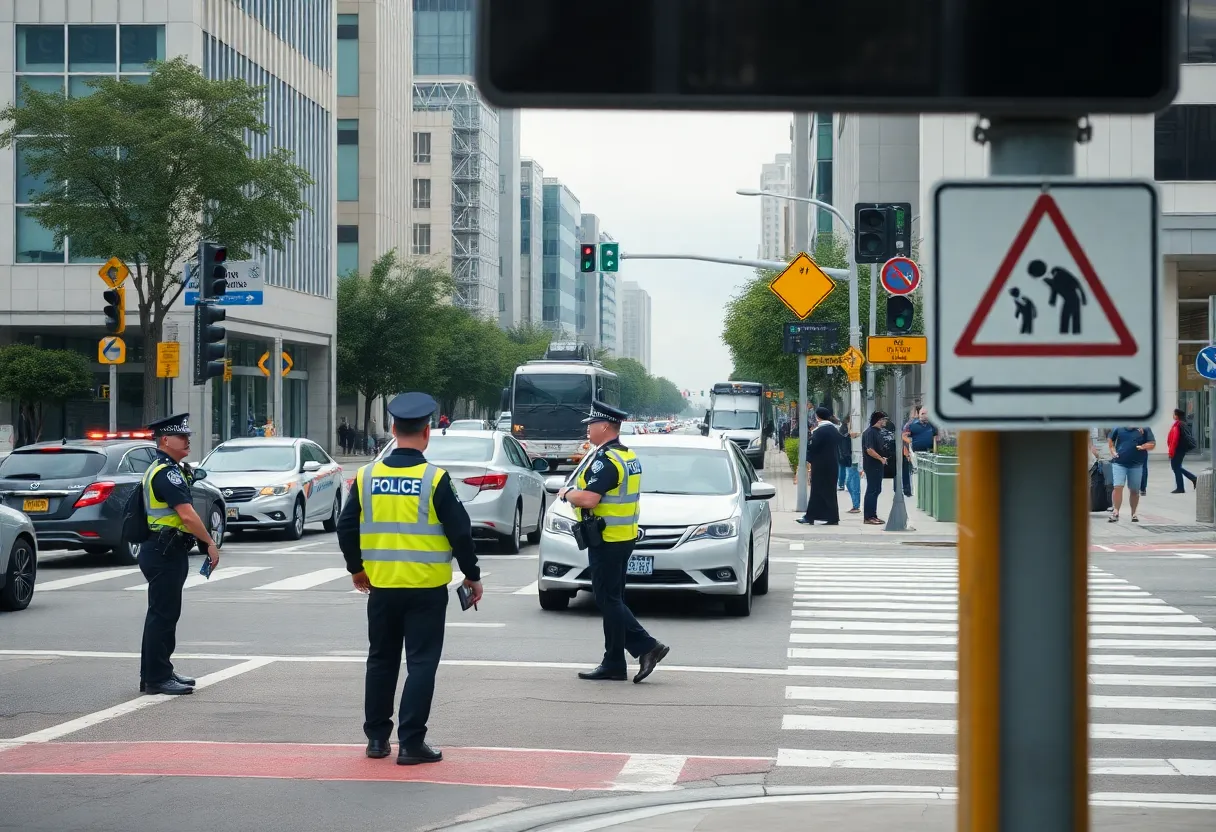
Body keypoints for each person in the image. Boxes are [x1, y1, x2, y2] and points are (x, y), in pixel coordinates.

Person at [337, 392, 483, 765]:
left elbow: (346, 525)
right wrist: (472, 574)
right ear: (428, 432)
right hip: (426, 589)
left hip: (380, 587)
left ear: (392, 429)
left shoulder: (367, 475)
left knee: (381, 661)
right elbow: (461, 532)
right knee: (421, 663)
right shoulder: (435, 479)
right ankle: (412, 743)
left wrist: (356, 567)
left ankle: (376, 740)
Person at [559, 400, 670, 683]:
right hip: (622, 537)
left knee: (607, 599)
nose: (587, 429)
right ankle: (614, 662)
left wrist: (567, 493)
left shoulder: (606, 461)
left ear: (605, 426)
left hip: (607, 539)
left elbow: (589, 498)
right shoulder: (626, 455)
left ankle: (647, 646)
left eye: (591, 425)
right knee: (612, 599)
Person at [138, 413, 221, 695]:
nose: (187, 440)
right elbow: (186, 515)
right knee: (163, 615)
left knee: (162, 614)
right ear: (164, 440)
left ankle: (156, 671)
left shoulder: (165, 468)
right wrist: (209, 542)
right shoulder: (166, 472)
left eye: (187, 436)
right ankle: (157, 678)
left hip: (164, 549)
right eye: (181, 436)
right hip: (164, 550)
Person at [798, 407, 840, 526]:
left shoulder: (819, 431)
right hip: (832, 465)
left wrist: (808, 458)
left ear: (817, 416)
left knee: (816, 490)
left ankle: (811, 517)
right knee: (829, 492)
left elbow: (813, 447)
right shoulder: (834, 429)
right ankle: (831, 517)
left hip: (821, 466)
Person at [861, 411, 890, 525]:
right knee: (872, 490)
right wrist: (880, 459)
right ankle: (868, 517)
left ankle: (873, 515)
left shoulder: (878, 432)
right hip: (872, 465)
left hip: (877, 465)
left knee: (877, 489)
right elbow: (869, 449)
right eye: (883, 419)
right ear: (878, 420)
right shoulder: (870, 432)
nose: (885, 422)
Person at [1168, 408, 1198, 493]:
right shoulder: (1181, 424)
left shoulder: (1179, 425)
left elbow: (1175, 439)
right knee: (1177, 467)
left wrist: (1172, 451)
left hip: (1178, 449)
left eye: (1174, 414)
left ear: (1177, 416)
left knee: (1176, 467)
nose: (1173, 416)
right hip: (1179, 449)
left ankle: (1184, 485)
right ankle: (1185, 484)